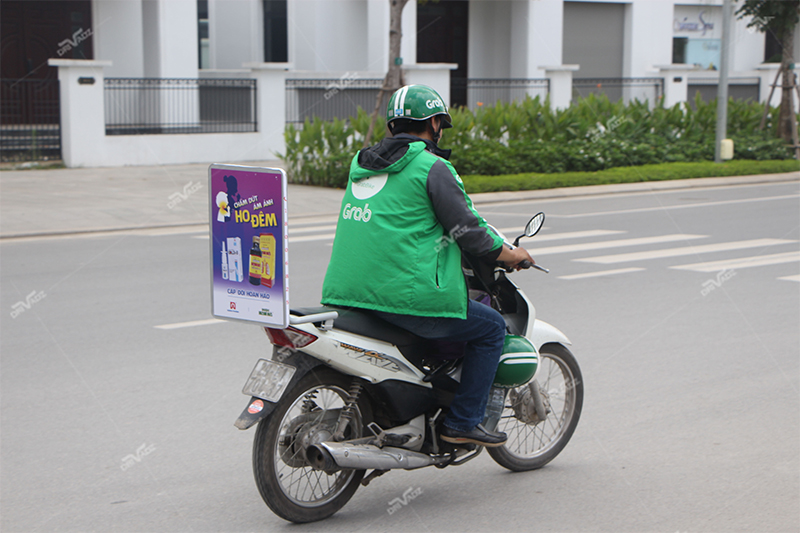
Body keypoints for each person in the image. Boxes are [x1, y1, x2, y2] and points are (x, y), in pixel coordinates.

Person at [321, 84, 534, 447]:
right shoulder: (433, 167)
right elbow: (469, 231)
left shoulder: (363, 163)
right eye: (440, 123)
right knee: (491, 328)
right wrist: (511, 254)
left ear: (392, 125)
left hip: (347, 293)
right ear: (435, 123)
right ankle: (463, 422)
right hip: (405, 298)